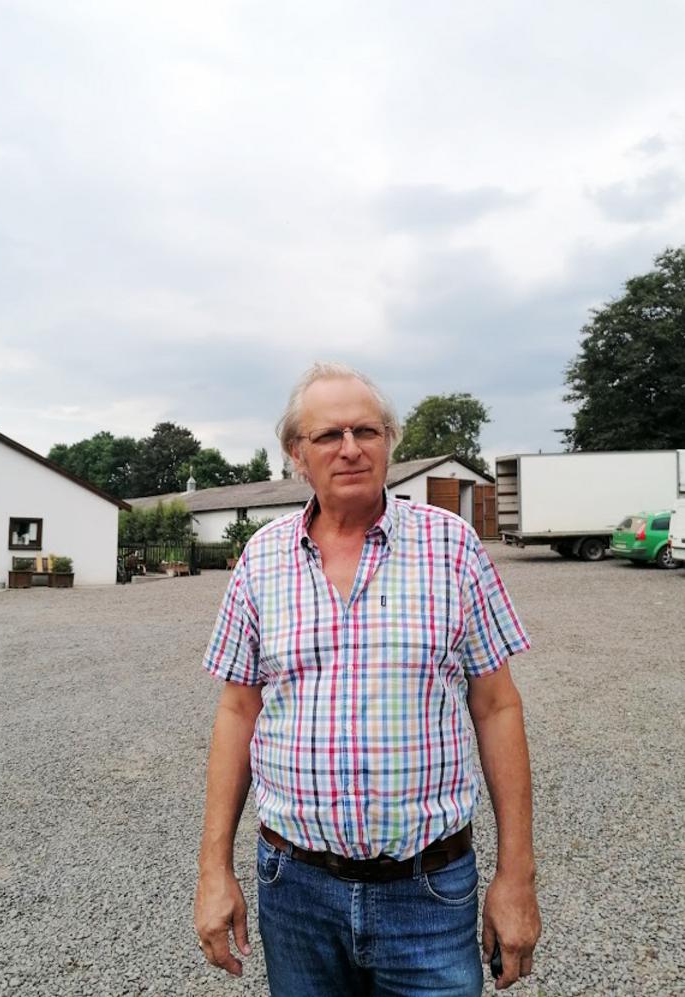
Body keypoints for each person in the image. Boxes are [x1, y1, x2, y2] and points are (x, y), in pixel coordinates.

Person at [194, 362, 541, 996]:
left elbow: (496, 707)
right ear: (297, 454)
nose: (350, 448)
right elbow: (237, 711)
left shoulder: (453, 548)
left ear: (389, 442)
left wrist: (516, 876)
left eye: (367, 431)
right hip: (294, 890)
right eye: (328, 435)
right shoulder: (260, 560)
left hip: (429, 891)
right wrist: (213, 868)